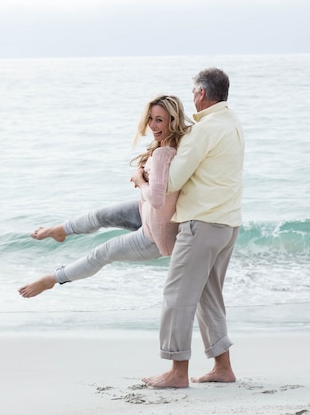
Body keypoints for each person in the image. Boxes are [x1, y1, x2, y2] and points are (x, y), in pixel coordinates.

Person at [18, 95, 192, 298]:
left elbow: (156, 199)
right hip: (147, 213)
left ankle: (53, 279)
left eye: (159, 120)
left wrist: (140, 180)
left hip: (153, 236)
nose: (152, 125)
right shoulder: (176, 146)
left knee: (103, 252)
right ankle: (60, 230)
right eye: (151, 119)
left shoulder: (164, 154)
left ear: (173, 120)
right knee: (100, 215)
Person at [142, 68, 245, 388]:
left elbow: (171, 181)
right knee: (207, 296)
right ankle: (223, 368)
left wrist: (140, 178)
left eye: (193, 91)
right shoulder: (232, 122)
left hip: (202, 224)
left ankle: (177, 372)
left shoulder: (205, 129)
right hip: (228, 224)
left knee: (177, 295)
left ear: (201, 93)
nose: (191, 96)